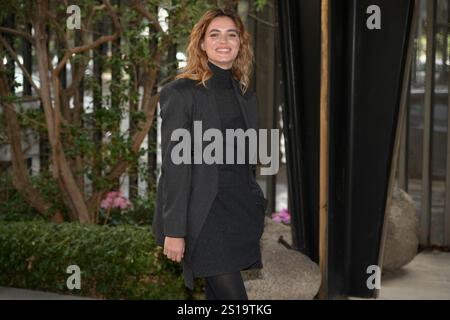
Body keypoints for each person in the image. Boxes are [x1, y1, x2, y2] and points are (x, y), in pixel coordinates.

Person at [152, 7, 267, 300]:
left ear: (241, 43)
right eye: (214, 34)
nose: (223, 41)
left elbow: (245, 160)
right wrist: (175, 230)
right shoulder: (180, 93)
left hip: (238, 210)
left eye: (231, 34)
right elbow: (175, 168)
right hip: (203, 218)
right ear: (202, 43)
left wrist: (255, 201)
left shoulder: (245, 95)